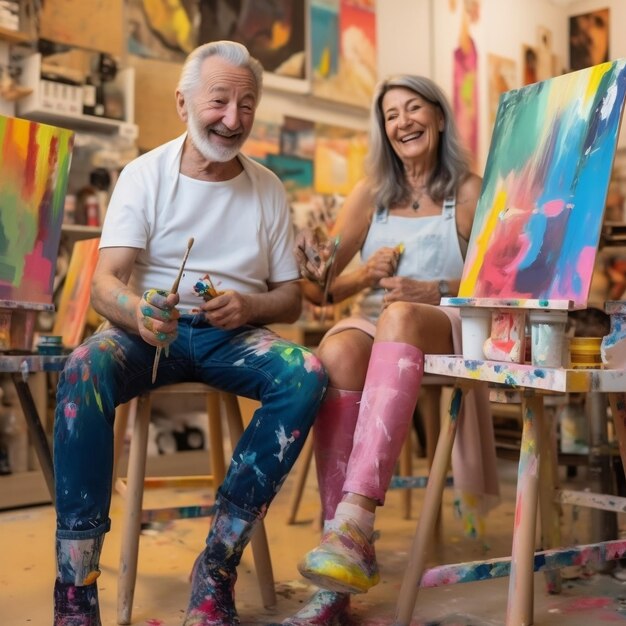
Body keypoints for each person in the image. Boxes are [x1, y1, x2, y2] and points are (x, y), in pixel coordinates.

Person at [52, 40, 328, 626]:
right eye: (219, 101)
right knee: (82, 367)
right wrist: (138, 312)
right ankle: (76, 588)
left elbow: (290, 295)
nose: (233, 118)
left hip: (231, 337)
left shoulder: (268, 188)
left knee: (305, 373)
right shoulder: (143, 175)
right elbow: (105, 282)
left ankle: (216, 568)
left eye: (246, 104)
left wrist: (250, 304)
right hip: (150, 334)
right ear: (183, 103)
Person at [285, 74, 500, 624]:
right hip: (382, 328)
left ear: (440, 117)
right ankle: (339, 559)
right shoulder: (371, 195)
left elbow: (498, 285)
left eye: (413, 109)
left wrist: (436, 291)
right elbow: (317, 287)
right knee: (337, 351)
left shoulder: (469, 192)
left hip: (446, 324)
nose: (402, 122)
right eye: (390, 115)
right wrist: (356, 274)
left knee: (401, 313)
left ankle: (357, 521)